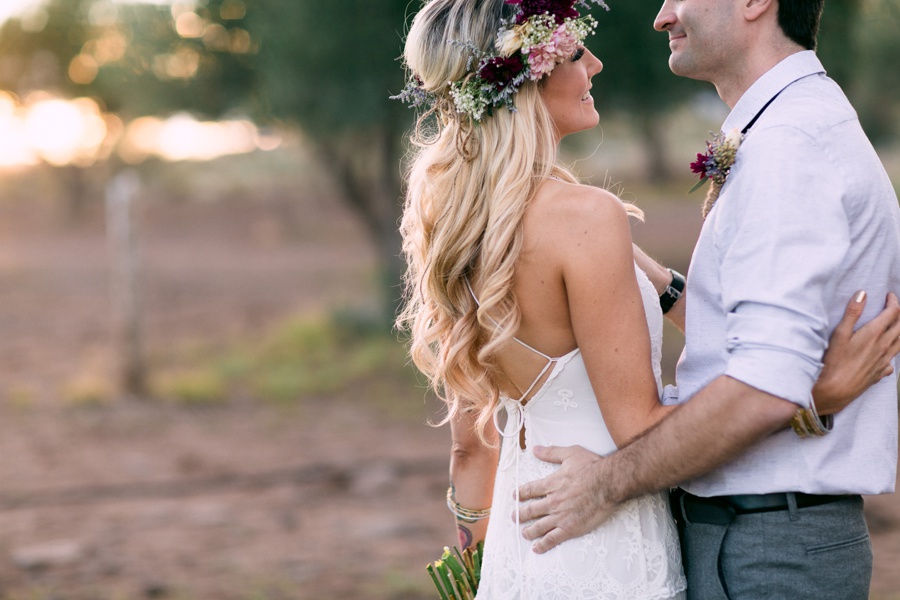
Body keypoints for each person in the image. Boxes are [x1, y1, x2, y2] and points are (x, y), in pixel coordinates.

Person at [393, 0, 900, 598]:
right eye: (577, 52)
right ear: (527, 77)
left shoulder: (465, 221)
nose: (599, 62)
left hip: (525, 536)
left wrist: (475, 554)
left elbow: (471, 439)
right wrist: (803, 396)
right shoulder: (585, 215)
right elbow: (642, 423)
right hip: (597, 527)